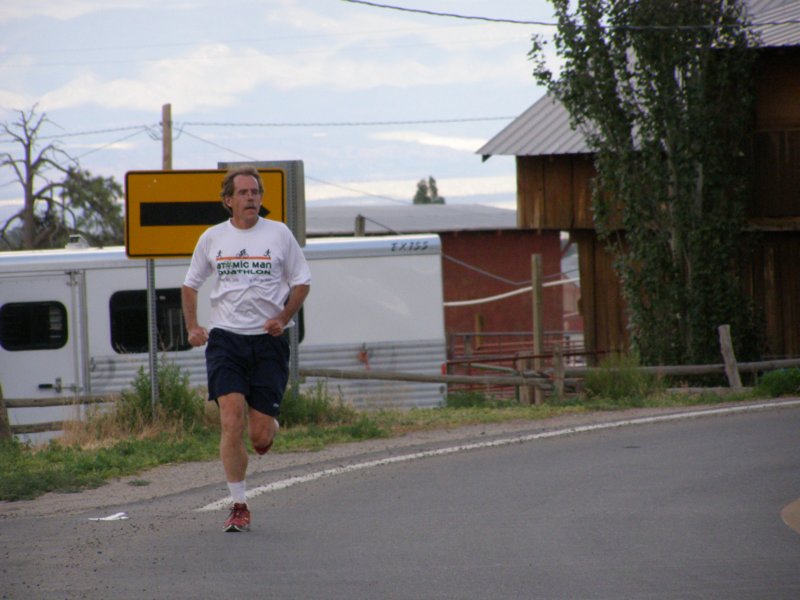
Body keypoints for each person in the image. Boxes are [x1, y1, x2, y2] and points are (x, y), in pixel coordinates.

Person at [181, 165, 311, 532]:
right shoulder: (212, 238)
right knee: (231, 417)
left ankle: (270, 425)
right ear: (228, 200)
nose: (251, 198)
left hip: (268, 341)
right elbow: (190, 285)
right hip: (226, 340)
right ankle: (239, 504)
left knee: (260, 437)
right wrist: (192, 327)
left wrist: (283, 317)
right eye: (243, 193)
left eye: (255, 192)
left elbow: (302, 282)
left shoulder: (279, 234)